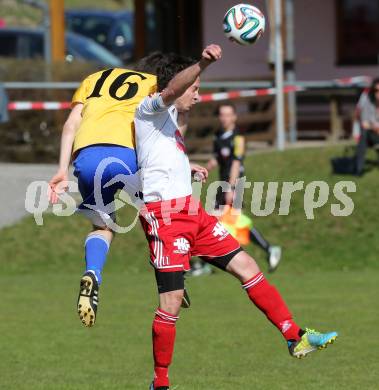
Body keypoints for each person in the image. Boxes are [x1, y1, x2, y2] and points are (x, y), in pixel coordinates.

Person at [134, 44, 338, 390]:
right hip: (166, 217)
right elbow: (170, 91)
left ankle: (294, 336)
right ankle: (161, 382)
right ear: (178, 86)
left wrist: (188, 166)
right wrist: (202, 63)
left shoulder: (168, 122)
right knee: (170, 302)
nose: (197, 97)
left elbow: (160, 157)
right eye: (195, 90)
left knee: (248, 267)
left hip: (193, 214)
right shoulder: (149, 109)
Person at [48, 66, 157, 327]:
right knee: (155, 211)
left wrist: (62, 170)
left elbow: (70, 124)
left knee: (103, 224)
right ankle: (170, 277)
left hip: (87, 157)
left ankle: (93, 272)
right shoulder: (152, 82)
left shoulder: (91, 79)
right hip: (125, 155)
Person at [205, 103, 281, 272]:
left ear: (234, 117)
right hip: (223, 183)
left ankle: (269, 249)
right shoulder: (218, 135)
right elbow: (219, 157)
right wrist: (206, 167)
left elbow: (235, 162)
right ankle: (207, 263)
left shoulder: (238, 138)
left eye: (228, 114)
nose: (224, 118)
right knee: (214, 220)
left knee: (230, 220)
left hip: (234, 184)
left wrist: (231, 188)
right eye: (222, 115)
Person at [355, 77, 379, 175]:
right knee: (364, 134)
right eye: (377, 90)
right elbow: (365, 124)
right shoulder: (368, 103)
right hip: (372, 135)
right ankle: (359, 169)